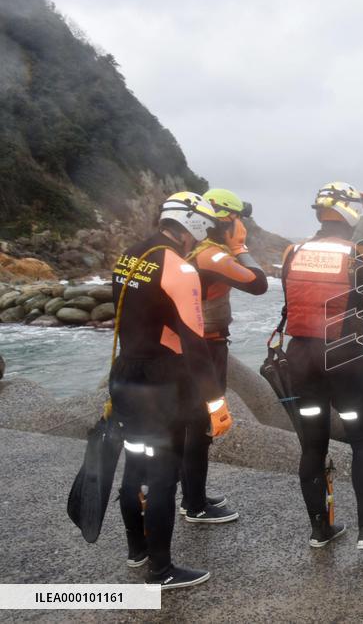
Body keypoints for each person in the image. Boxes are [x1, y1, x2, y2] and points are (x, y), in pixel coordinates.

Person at [109, 192, 231, 589]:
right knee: (162, 475)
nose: (200, 238)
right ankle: (161, 571)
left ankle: (138, 551)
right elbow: (195, 343)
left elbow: (136, 316)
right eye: (202, 229)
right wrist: (215, 401)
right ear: (191, 224)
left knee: (135, 466)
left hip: (126, 373)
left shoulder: (129, 255)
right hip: (161, 384)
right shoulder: (179, 268)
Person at [279, 182, 363, 551]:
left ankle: (320, 531)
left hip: (301, 359)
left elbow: (292, 294)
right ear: (350, 213)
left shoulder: (293, 252)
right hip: (344, 357)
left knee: (312, 446)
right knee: (362, 441)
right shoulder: (357, 254)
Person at [178, 188, 267, 523]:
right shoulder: (211, 256)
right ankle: (195, 505)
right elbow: (257, 283)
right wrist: (241, 248)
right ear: (226, 221)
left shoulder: (197, 251)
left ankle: (192, 495)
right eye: (237, 219)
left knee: (193, 422)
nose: (241, 225)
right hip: (204, 347)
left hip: (194, 345)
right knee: (200, 424)